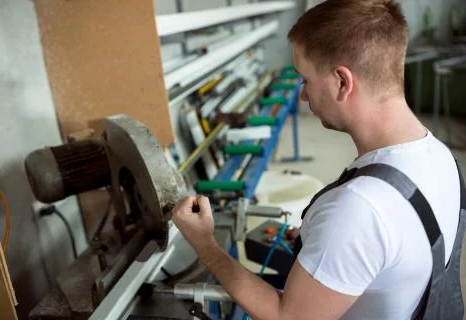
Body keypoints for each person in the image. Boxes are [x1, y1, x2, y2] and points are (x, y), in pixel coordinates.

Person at [172, 0, 464, 319]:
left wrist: (205, 244)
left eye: (305, 79)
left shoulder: (358, 209)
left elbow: (287, 317)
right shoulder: (439, 156)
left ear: (342, 81)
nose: (303, 95)